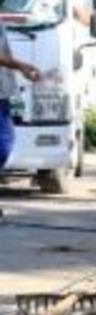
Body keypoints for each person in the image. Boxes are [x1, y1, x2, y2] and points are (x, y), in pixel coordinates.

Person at [0, 22, 41, 217]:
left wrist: (16, 97)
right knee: (3, 144)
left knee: (5, 144)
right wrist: (21, 65)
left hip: (4, 93)